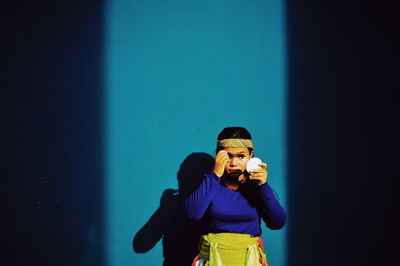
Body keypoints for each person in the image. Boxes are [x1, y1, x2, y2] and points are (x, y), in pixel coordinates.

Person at [183, 127, 286, 266]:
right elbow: (192, 214)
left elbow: (277, 223)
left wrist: (263, 186)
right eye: (227, 156)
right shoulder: (209, 183)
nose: (233, 163)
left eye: (241, 156)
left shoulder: (256, 186)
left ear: (251, 155)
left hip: (250, 259)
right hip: (212, 259)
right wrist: (214, 176)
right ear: (218, 156)